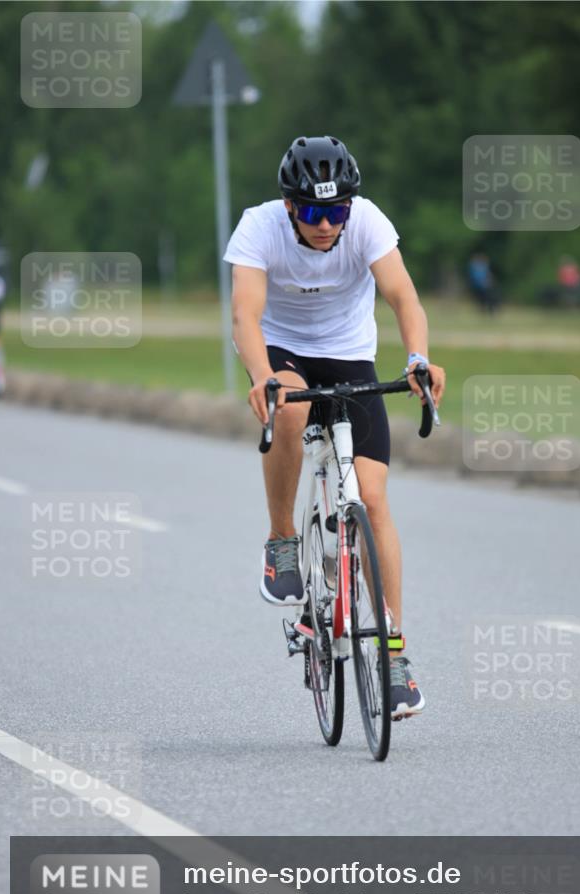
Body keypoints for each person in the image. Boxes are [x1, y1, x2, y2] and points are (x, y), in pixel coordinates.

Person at [224, 135, 446, 720]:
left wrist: (418, 359)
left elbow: (403, 297)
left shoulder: (367, 221)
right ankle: (282, 543)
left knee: (372, 502)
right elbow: (245, 312)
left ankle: (394, 657)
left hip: (350, 356)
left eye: (337, 211)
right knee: (291, 404)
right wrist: (261, 374)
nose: (327, 225)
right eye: (315, 212)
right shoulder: (259, 227)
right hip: (284, 350)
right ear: (290, 206)